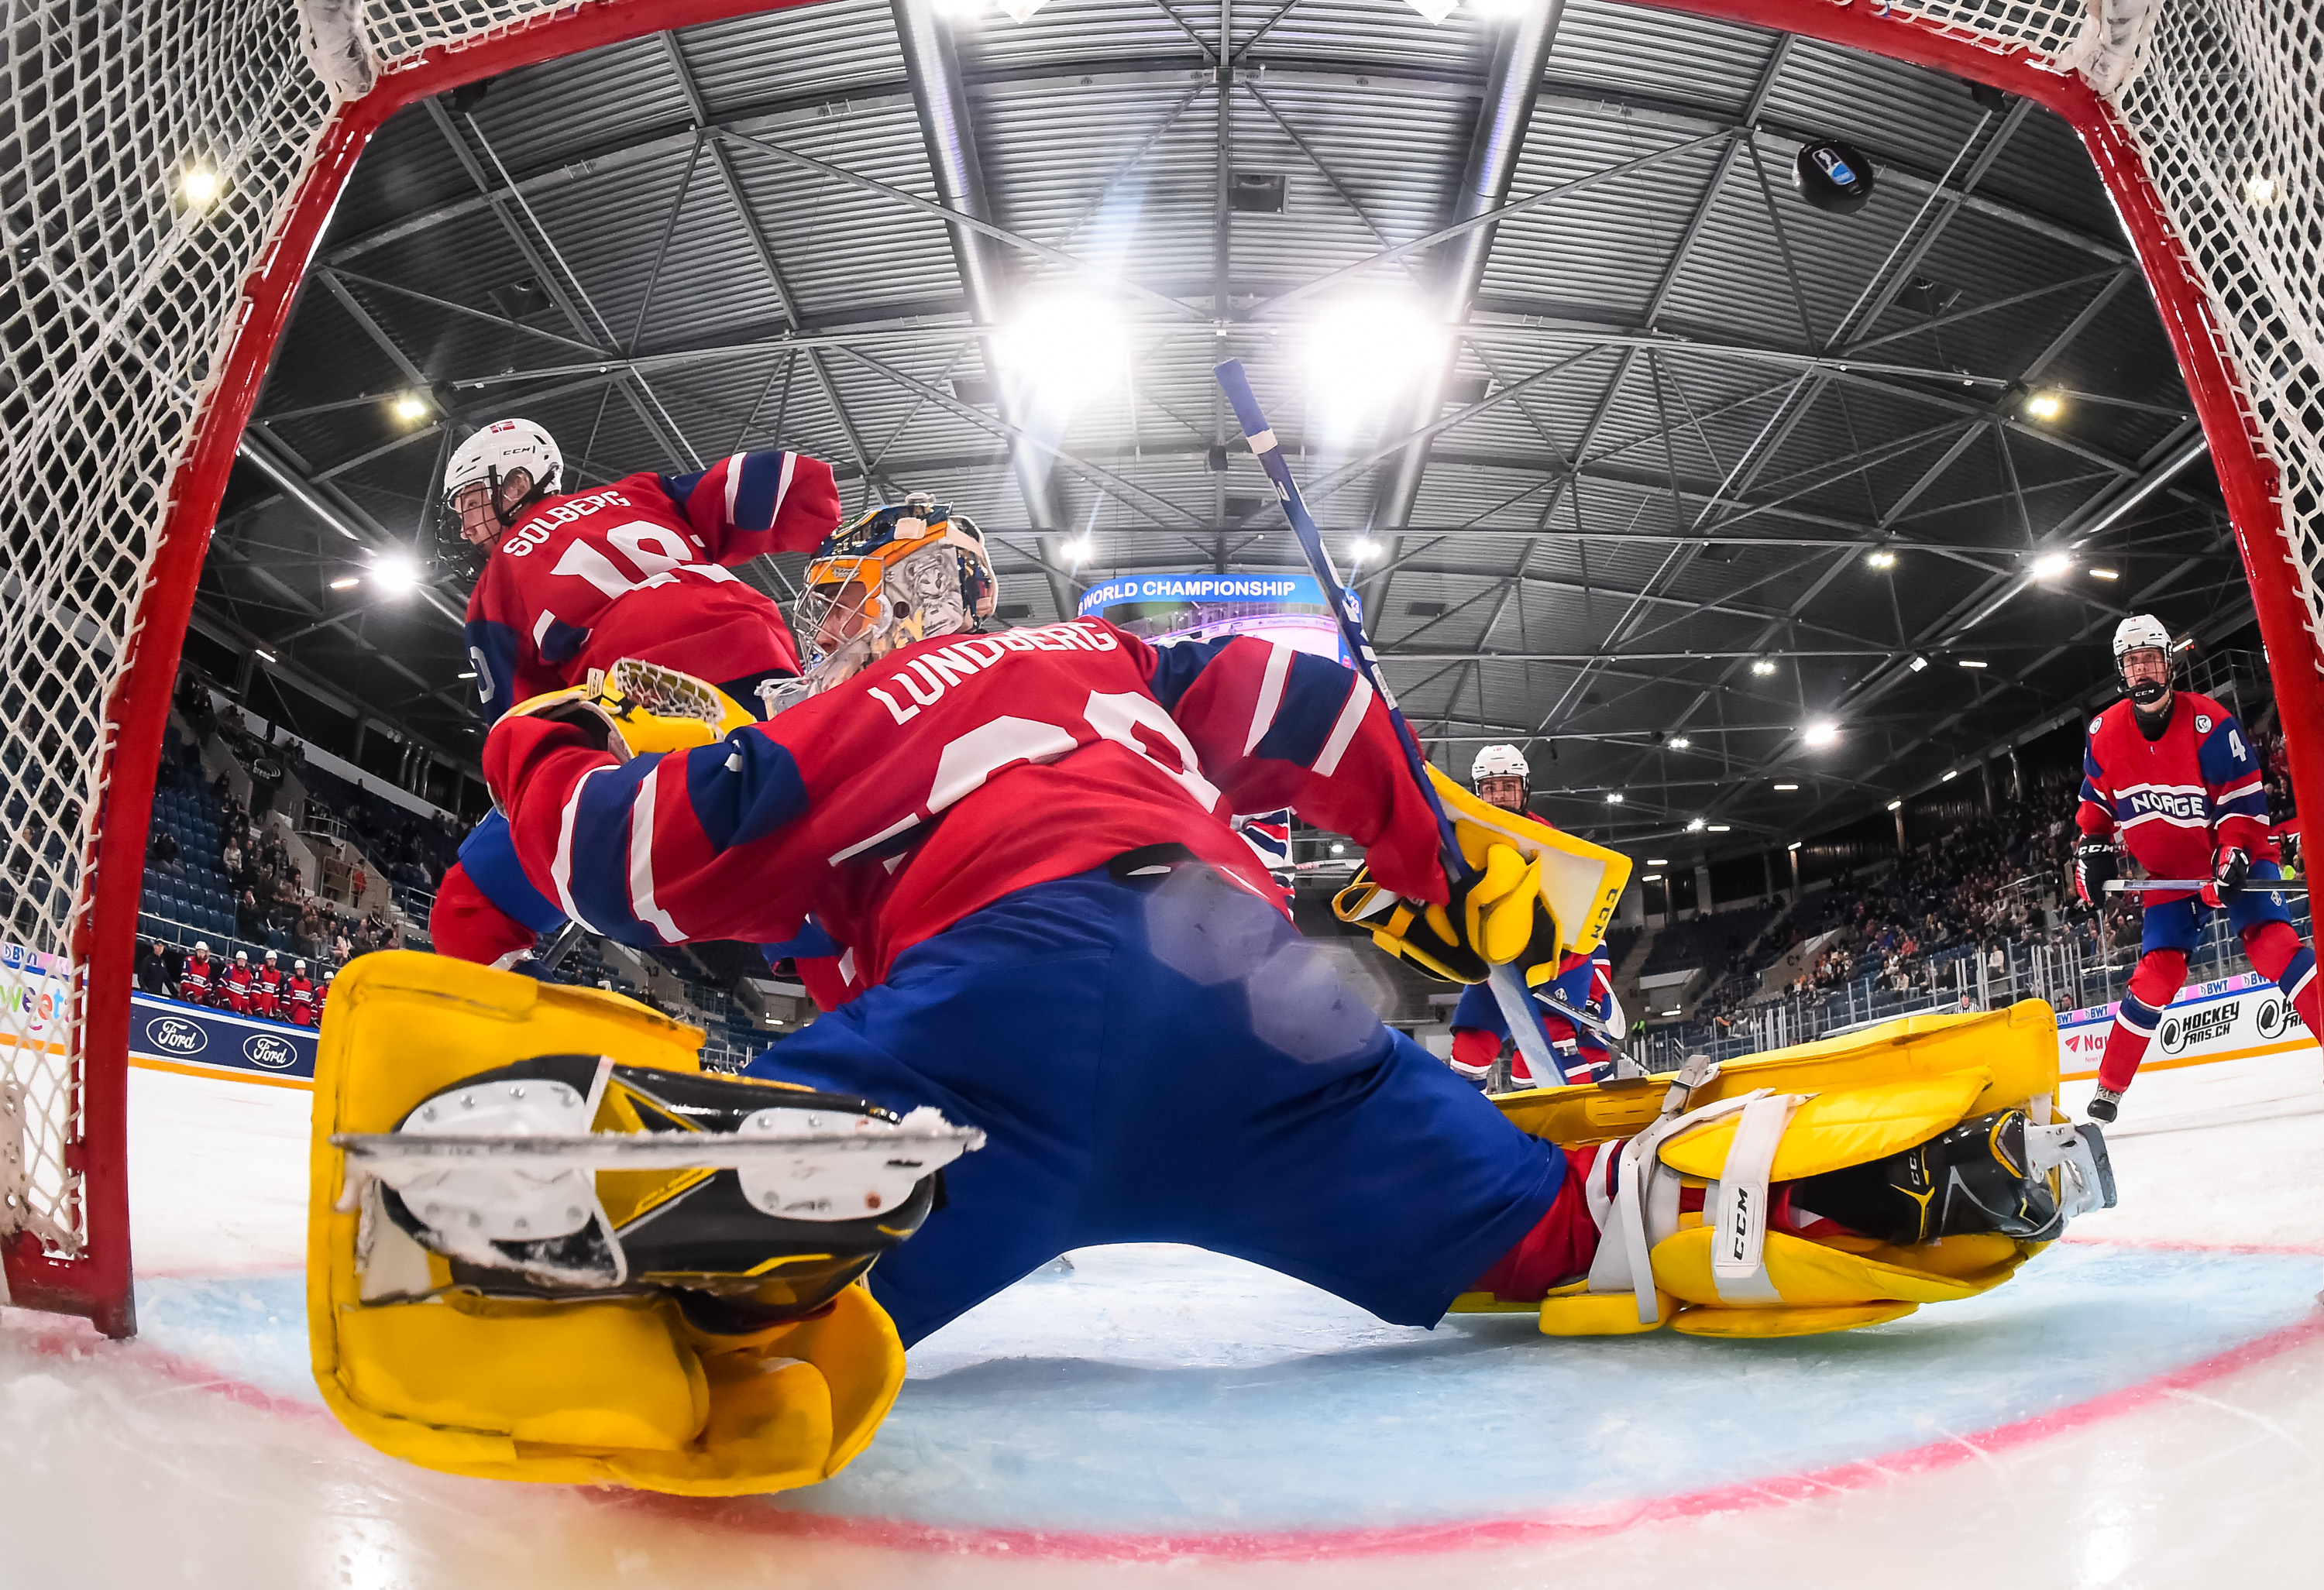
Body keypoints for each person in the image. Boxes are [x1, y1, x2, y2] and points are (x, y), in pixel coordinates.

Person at [470, 498, 2070, 1351]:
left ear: (893, 599)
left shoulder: (877, 699)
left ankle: (578, 1244)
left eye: (835, 602)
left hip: (1011, 1015)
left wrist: (546, 732)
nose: (822, 632)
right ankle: (1867, 1183)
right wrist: (1429, 852)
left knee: (738, 1281)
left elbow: (639, 864)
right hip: (1258, 992)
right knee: (1561, 1232)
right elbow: (1310, 706)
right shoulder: (1107, 652)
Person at [429, 417, 842, 969]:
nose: (464, 527)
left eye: (471, 501)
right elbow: (771, 483)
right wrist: (822, 517)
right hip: (765, 670)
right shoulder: (636, 493)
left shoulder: (497, 581)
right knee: (812, 877)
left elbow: (519, 729)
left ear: (517, 483)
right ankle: (840, 975)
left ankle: (517, 1013)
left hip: (646, 698)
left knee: (469, 909)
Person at [2073, 613, 2322, 1121]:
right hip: (2169, 876)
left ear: (2169, 664)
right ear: (2121, 671)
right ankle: (2109, 1086)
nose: (2142, 670)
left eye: (2150, 659)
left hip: (2235, 859)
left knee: (2273, 945)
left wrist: (2233, 851)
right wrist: (2092, 846)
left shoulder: (2210, 723)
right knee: (2156, 975)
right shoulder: (2103, 734)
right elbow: (2095, 806)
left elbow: (2244, 805)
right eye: (2132, 662)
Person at [1446, 744, 1622, 1089]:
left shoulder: (1550, 843)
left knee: (1548, 1053)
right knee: (1469, 1051)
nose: (1500, 796)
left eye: (1508, 786)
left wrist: (1596, 987)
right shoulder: (1460, 837)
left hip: (1553, 966)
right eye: (1490, 787)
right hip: (1496, 964)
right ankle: (1468, 1121)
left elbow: (1588, 922)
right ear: (1478, 791)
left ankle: (1569, 1121)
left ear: (1524, 789)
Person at [178, 940, 216, 1005]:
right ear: (196, 951)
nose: (201, 954)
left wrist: (207, 996)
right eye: (199, 952)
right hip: (185, 1000)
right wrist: (189, 993)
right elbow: (184, 979)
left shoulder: (207, 967)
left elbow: (207, 984)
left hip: (198, 1003)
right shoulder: (189, 961)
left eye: (202, 952)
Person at [253, 948, 284, 1020]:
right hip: (257, 1010)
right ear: (266, 960)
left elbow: (275, 995)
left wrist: (276, 1009)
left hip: (266, 1012)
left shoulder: (277, 974)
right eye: (270, 960)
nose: (272, 963)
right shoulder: (261, 970)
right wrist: (258, 1007)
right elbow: (255, 993)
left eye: (274, 961)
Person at [221, 950, 255, 1015]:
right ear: (236, 961)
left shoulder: (248, 976)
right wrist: (225, 1001)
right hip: (225, 1007)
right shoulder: (230, 969)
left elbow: (246, 995)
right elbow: (221, 987)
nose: (242, 963)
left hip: (236, 1010)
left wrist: (244, 1008)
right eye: (240, 961)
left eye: (243, 961)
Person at [286, 960, 317, 1027]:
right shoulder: (291, 982)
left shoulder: (308, 984)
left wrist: (311, 1015)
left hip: (305, 1018)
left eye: (302, 970)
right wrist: (287, 1011)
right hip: (293, 1017)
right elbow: (287, 999)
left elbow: (310, 1002)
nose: (301, 972)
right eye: (299, 970)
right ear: (296, 970)